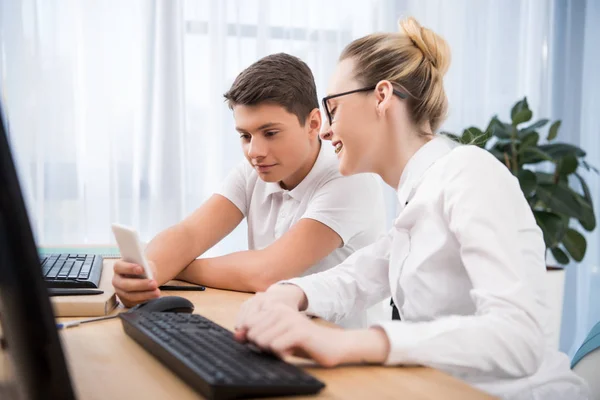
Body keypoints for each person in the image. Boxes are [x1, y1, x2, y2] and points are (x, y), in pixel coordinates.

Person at [233, 18, 589, 399]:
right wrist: (288, 294)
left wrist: (353, 345)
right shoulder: (420, 197)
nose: (324, 130)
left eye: (333, 110)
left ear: (382, 96)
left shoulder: (468, 173)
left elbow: (521, 338)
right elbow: (357, 277)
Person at [112, 53, 386, 328]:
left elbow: (268, 273)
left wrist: (175, 266)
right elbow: (190, 233)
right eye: (245, 136)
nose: (254, 152)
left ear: (314, 124)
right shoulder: (254, 171)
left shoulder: (349, 178)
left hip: (347, 353)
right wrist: (151, 270)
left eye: (270, 133)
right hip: (280, 335)